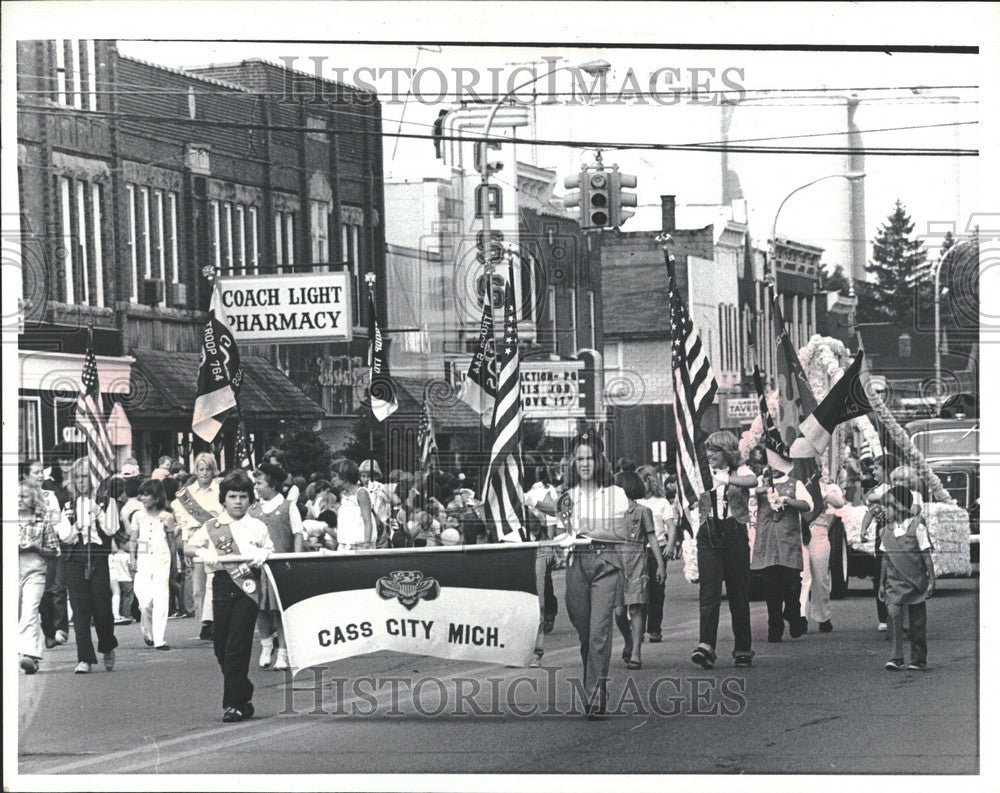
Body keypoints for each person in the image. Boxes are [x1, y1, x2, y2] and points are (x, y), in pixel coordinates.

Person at [539, 431, 629, 718]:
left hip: (606, 563)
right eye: (580, 459)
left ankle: (594, 696)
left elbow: (620, 532)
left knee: (600, 633)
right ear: (573, 463)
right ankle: (595, 684)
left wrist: (584, 531)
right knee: (586, 633)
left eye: (590, 458)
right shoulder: (568, 496)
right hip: (576, 564)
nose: (585, 463)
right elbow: (560, 530)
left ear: (598, 460)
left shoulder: (614, 493)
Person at [185, 471, 273, 722]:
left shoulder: (257, 526)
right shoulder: (212, 526)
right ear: (223, 499)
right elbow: (188, 546)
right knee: (221, 646)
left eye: (243, 496)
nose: (237, 501)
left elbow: (270, 550)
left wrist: (263, 554)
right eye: (232, 496)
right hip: (222, 583)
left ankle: (233, 704)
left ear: (250, 499)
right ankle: (243, 691)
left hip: (248, 586)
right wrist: (202, 551)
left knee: (237, 644)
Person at [690, 432, 759, 670]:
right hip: (708, 531)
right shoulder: (702, 474)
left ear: (727, 452)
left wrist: (725, 480)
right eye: (708, 450)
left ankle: (743, 649)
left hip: (734, 532)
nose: (709, 455)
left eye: (715, 450)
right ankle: (705, 646)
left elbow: (753, 481)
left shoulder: (740, 472)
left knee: (738, 592)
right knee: (709, 593)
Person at [60, 458, 120, 674]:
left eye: (84, 476)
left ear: (92, 479)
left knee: (102, 610)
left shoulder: (107, 502)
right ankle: (85, 658)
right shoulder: (67, 506)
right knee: (80, 611)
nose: (80, 481)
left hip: (97, 557)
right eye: (76, 477)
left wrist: (96, 510)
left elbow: (112, 529)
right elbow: (65, 536)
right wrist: (77, 525)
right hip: (75, 558)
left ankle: (107, 646)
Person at [751, 443, 814, 643]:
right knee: (771, 589)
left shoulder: (794, 483)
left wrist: (787, 500)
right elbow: (746, 497)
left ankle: (794, 616)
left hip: (788, 543)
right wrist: (760, 490)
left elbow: (807, 505)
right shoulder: (760, 483)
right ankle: (774, 627)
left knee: (791, 585)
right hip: (767, 543)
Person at [249, 462, 304, 671]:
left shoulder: (288, 506)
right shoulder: (253, 509)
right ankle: (266, 643)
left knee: (279, 611)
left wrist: (297, 561)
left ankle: (283, 652)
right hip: (257, 567)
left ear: (272, 484)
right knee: (259, 608)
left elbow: (297, 533)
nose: (256, 486)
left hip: (280, 567)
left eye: (260, 482)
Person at [613, 470, 666, 671]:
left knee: (636, 608)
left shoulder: (643, 511)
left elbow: (652, 538)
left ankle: (636, 652)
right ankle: (628, 639)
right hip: (616, 565)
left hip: (637, 563)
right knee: (618, 612)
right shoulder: (612, 513)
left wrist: (660, 565)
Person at [879, 486, 935, 671]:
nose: (884, 510)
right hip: (893, 583)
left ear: (901, 506)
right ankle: (896, 657)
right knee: (893, 615)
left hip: (915, 581)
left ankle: (918, 658)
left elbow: (926, 555)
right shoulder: (885, 532)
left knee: (917, 622)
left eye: (888, 506)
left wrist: (931, 580)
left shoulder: (917, 527)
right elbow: (886, 559)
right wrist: (881, 583)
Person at [19, 460, 65, 674]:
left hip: (36, 570)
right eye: (18, 496)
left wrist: (37, 546)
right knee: (20, 614)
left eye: (24, 496)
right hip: (12, 571)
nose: (20, 499)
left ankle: (29, 655)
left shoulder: (44, 514)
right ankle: (32, 654)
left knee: (30, 611)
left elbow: (54, 546)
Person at [172, 453, 222, 640]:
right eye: (201, 469)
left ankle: (212, 622)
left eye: (208, 469)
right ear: (196, 470)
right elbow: (184, 522)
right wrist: (185, 545)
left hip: (215, 537)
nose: (204, 473)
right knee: (197, 587)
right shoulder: (188, 493)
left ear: (213, 470)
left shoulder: (219, 490)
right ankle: (203, 620)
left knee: (213, 582)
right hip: (195, 539)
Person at [130, 478, 177, 650]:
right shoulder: (138, 516)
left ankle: (159, 638)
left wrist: (174, 563)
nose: (142, 498)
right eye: (141, 494)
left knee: (161, 598)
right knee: (144, 600)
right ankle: (146, 628)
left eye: (146, 494)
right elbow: (133, 539)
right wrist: (132, 558)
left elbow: (171, 542)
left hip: (161, 557)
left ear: (156, 497)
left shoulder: (167, 517)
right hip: (144, 558)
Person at [636, 465, 679, 643]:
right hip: (639, 551)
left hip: (657, 551)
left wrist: (670, 545)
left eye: (642, 481)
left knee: (656, 590)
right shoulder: (635, 502)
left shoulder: (661, 503)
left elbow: (671, 525)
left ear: (649, 482)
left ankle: (654, 629)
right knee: (639, 592)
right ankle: (638, 628)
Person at [801, 474, 846, 632]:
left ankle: (823, 617)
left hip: (818, 531)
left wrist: (822, 492)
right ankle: (801, 617)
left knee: (820, 577)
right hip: (799, 532)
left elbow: (840, 503)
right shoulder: (796, 483)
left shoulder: (825, 487)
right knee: (803, 577)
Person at [40, 444, 74, 649]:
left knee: (60, 586)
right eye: (63, 461)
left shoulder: (76, 481)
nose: (66, 465)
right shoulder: (49, 485)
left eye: (69, 461)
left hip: (70, 537)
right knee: (50, 588)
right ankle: (52, 630)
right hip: (52, 538)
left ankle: (61, 628)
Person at [330, 458, 375, 549]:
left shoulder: (361, 493)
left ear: (344, 477)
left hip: (361, 544)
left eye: (334, 476)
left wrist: (367, 543)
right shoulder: (343, 495)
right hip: (345, 543)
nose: (332, 479)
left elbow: (367, 520)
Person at [359, 459, 391, 548]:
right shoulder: (359, 491)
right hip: (366, 527)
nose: (366, 479)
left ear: (375, 476)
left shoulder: (380, 488)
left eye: (369, 476)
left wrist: (382, 488)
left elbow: (396, 501)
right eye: (363, 476)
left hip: (381, 526)